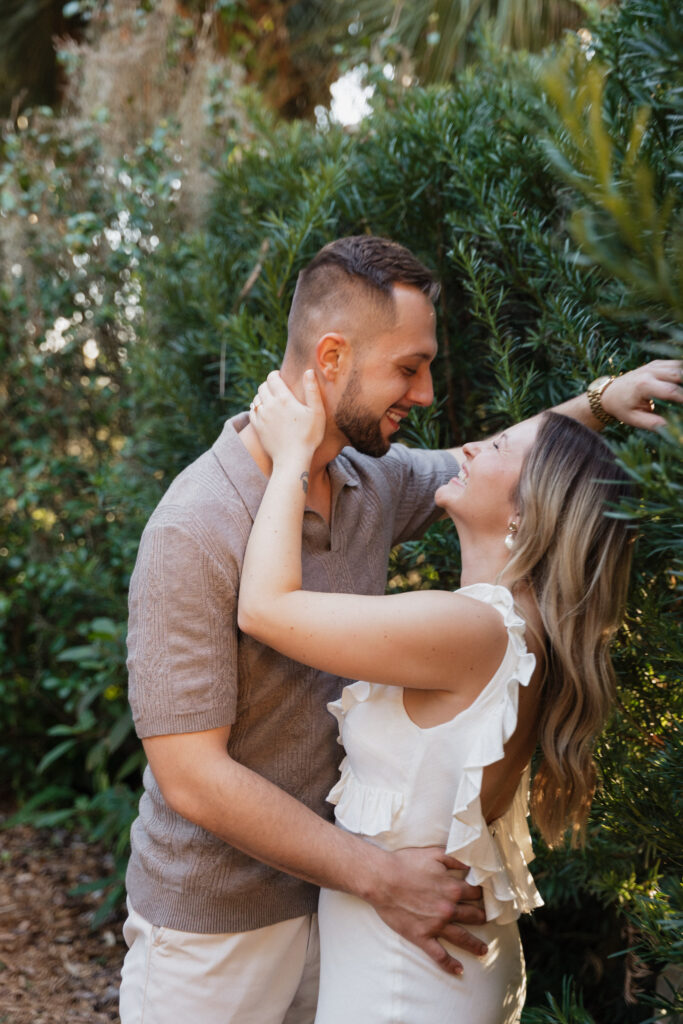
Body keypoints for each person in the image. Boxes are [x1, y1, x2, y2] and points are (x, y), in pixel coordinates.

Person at [119, 234, 682, 1024]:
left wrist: (597, 400)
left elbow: (499, 471)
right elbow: (190, 777)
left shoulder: (370, 480)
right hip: (220, 928)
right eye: (408, 368)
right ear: (332, 356)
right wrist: (375, 876)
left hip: (351, 910)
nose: (422, 394)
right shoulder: (196, 524)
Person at [237, 372, 636, 1022]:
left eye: (497, 448)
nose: (470, 448)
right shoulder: (518, 629)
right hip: (435, 966)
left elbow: (263, 609)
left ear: (524, 513)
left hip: (406, 985)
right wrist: (599, 400)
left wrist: (287, 458)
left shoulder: (470, 628)